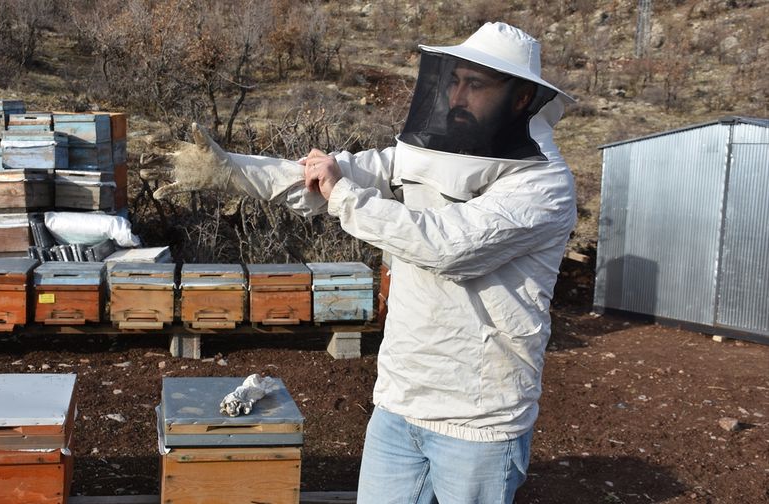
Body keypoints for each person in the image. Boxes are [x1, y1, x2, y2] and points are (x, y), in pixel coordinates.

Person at [142, 21, 576, 504]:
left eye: (476, 84)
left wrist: (343, 196)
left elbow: (450, 248)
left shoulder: (543, 187)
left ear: (520, 99)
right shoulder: (420, 155)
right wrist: (228, 171)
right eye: (454, 79)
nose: (457, 95)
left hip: (479, 422)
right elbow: (318, 179)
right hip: (398, 403)